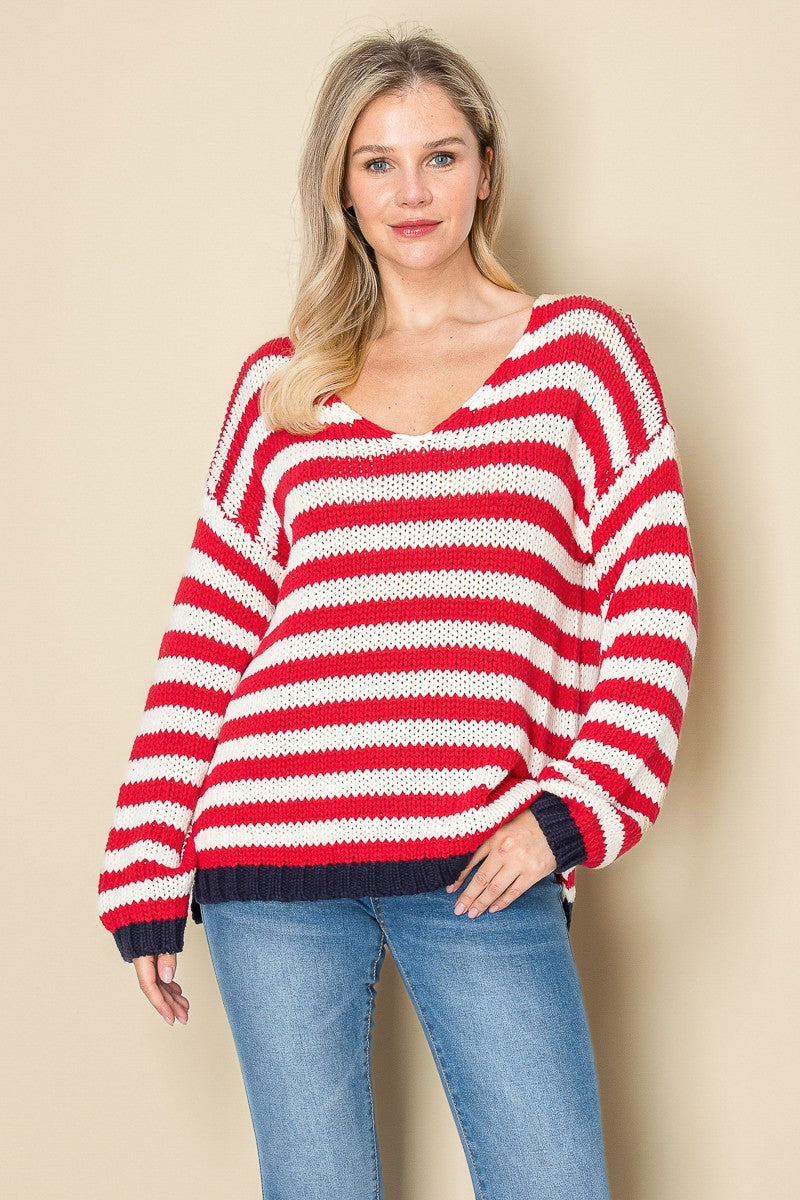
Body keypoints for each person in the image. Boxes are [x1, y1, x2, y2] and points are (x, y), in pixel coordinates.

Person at [97, 26, 698, 1200]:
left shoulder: (581, 357)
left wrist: (570, 815)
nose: (410, 192)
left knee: (552, 1181)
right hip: (268, 850)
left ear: (485, 167)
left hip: (481, 849)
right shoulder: (285, 382)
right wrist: (145, 859)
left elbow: (654, 604)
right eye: (376, 162)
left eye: (438, 156)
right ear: (341, 187)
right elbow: (210, 632)